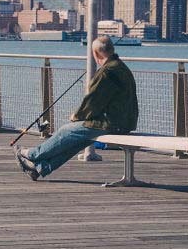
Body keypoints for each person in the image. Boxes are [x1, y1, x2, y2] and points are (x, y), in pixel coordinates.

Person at [15, 35, 138, 180]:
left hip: (111, 123)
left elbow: (92, 101)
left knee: (66, 130)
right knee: (80, 140)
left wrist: (77, 116)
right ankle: (40, 168)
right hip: (125, 122)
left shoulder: (106, 72)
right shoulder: (121, 67)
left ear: (95, 53)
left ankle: (32, 154)